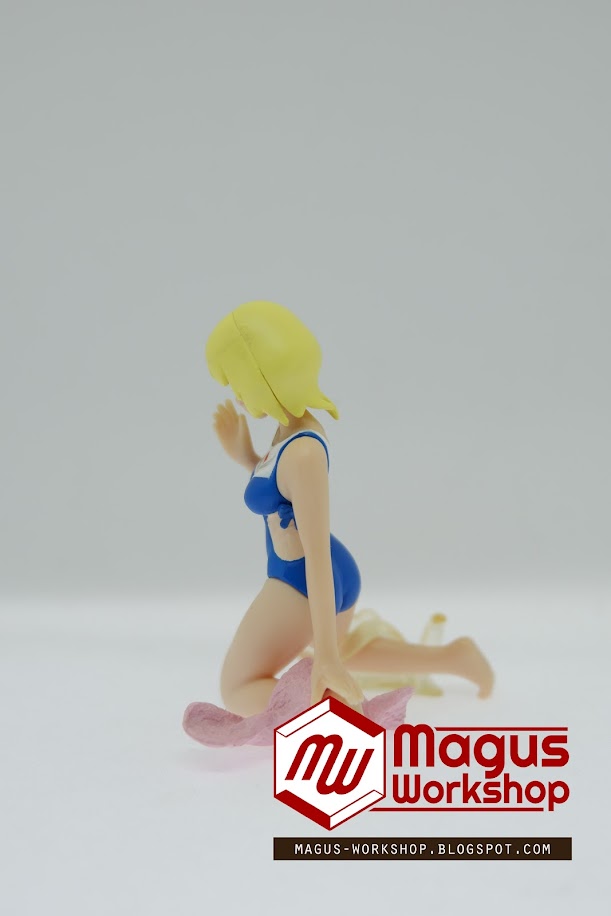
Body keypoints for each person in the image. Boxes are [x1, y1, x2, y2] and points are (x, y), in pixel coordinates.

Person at [206, 301, 493, 717]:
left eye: (238, 380)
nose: (235, 393)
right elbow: (281, 494)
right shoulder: (291, 429)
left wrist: (324, 655)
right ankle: (453, 658)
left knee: (238, 685)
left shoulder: (303, 452)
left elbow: (315, 555)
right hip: (324, 571)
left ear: (264, 374)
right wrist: (247, 457)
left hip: (301, 579)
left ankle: (345, 715)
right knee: (344, 652)